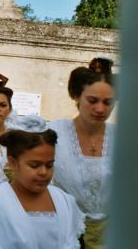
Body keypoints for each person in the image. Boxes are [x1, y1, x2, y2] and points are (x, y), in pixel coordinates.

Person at [0, 124, 85, 248]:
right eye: (34, 165)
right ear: (13, 163)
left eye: (49, 165)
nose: (43, 172)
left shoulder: (65, 203)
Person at [48, 58, 115, 248]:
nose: (101, 109)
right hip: (62, 236)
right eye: (92, 101)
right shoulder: (52, 134)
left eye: (108, 102)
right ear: (77, 96)